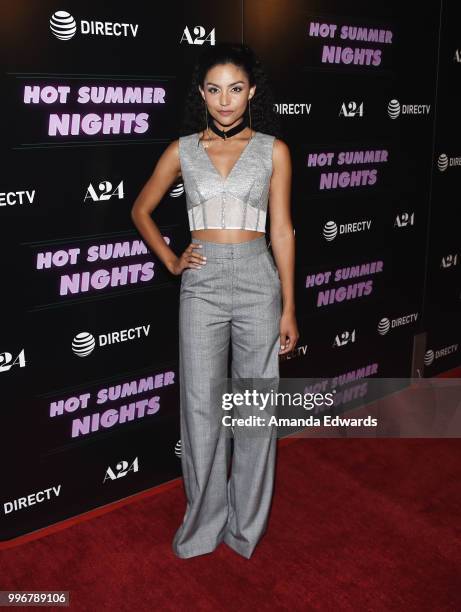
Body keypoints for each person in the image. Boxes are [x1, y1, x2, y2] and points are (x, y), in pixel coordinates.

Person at [131, 42, 298, 559]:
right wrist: (171, 259)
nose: (225, 100)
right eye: (214, 89)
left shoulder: (273, 149)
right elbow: (141, 209)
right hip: (201, 286)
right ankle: (203, 526)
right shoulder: (182, 149)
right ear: (201, 94)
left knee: (252, 412)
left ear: (251, 91)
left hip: (257, 281)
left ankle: (245, 529)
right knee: (201, 410)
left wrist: (290, 306)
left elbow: (284, 230)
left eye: (235, 88)